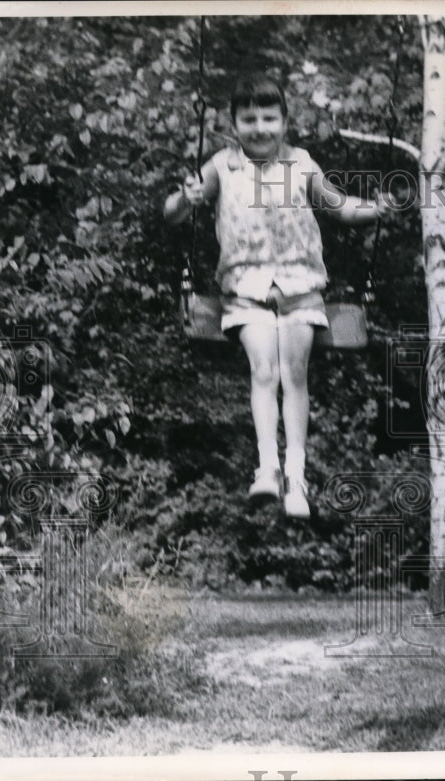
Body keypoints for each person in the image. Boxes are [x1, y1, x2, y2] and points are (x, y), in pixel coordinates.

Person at [164, 73, 389, 519]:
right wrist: (185, 198)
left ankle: (297, 479)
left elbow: (340, 207)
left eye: (269, 118)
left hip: (300, 288)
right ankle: (267, 469)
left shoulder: (302, 164)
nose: (260, 128)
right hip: (245, 291)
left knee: (294, 375)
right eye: (249, 119)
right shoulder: (221, 165)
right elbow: (172, 214)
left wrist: (375, 209)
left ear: (285, 121)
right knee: (264, 372)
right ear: (234, 124)